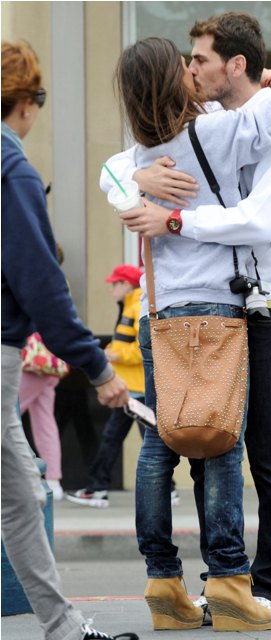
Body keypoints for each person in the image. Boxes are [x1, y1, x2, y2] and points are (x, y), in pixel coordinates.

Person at [101, 11, 271, 626]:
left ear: (232, 64)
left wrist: (141, 187)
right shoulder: (218, 132)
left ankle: (163, 579)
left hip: (162, 310)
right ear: (175, 80)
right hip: (218, 311)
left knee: (164, 442)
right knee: (221, 446)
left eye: (201, 58)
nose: (194, 68)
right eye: (186, 63)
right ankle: (226, 579)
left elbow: (110, 173)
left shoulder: (149, 149)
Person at [1, 39, 138, 640]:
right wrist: (99, 369)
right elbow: (41, 284)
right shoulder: (12, 167)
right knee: (19, 498)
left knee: (21, 497)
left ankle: (62, 625)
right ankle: (63, 626)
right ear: (26, 101)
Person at [67, 264, 145, 508]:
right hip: (131, 387)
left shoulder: (135, 306)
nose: (112, 289)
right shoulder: (129, 306)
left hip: (135, 388)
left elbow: (144, 347)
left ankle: (97, 488)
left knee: (123, 439)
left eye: (115, 284)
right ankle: (97, 487)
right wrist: (114, 351)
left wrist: (116, 356)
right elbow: (128, 343)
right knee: (130, 440)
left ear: (126, 285)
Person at [19, 243, 69, 501]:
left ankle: (45, 479)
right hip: (51, 361)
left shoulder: (35, 279)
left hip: (31, 359)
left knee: (8, 416)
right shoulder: (58, 283)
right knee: (44, 422)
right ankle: (53, 480)